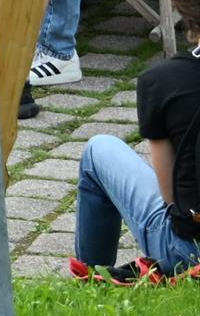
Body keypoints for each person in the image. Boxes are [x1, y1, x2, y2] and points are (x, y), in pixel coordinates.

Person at [67, 50, 200, 281]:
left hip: (190, 251)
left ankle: (91, 279)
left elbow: (170, 198)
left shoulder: (164, 80)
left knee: (98, 149)